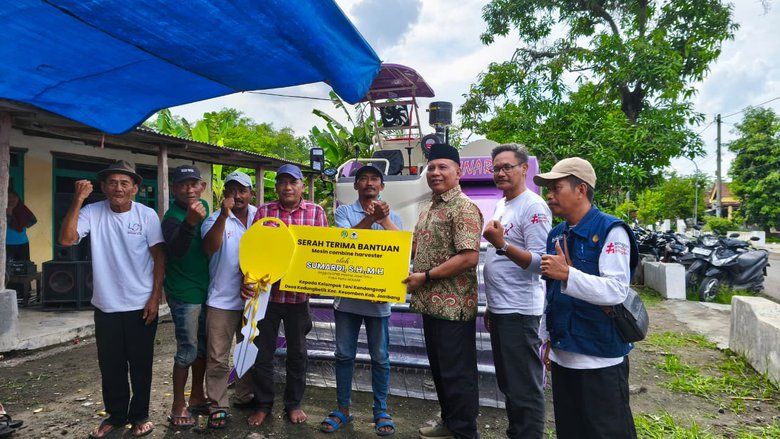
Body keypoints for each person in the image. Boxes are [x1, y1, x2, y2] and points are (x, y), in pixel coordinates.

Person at [58, 160, 164, 438]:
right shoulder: (92, 212)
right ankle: (116, 417)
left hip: (141, 304)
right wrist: (78, 200)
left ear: (135, 188)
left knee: (141, 364)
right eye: (113, 182)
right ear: (103, 187)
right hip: (106, 305)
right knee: (111, 365)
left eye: (124, 183)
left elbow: (159, 258)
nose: (118, 188)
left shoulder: (147, 215)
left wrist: (156, 298)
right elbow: (67, 240)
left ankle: (140, 415)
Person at [534, 157, 638, 439]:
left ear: (581, 189)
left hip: (599, 357)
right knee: (570, 429)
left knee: (606, 431)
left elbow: (617, 290)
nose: (550, 195)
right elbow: (551, 293)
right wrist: (546, 338)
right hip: (564, 353)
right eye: (549, 189)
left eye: (557, 188)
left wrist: (568, 274)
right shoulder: (556, 234)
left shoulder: (610, 230)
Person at [403, 144, 483, 439]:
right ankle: (449, 423)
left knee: (457, 375)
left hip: (453, 307)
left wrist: (425, 277)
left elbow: (468, 257)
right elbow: (413, 249)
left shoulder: (464, 208)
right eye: (431, 167)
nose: (435, 173)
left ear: (458, 172)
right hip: (430, 305)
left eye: (443, 167)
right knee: (440, 371)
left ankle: (464, 431)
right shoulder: (428, 209)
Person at [320, 163, 401, 436]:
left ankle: (381, 410)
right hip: (347, 299)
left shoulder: (395, 217)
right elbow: (346, 243)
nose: (369, 183)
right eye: (363, 179)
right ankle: (343, 408)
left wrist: (385, 219)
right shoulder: (343, 212)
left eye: (374, 179)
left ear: (382, 186)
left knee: (380, 357)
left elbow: (401, 252)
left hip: (379, 301)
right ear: (355, 186)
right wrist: (371, 219)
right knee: (344, 355)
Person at [246, 164, 328, 427]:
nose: (287, 187)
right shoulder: (264, 211)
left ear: (302, 186)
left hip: (298, 298)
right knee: (262, 353)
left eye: (293, 182)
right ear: (276, 186)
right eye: (282, 182)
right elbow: (252, 248)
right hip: (267, 297)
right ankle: (263, 404)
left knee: (297, 354)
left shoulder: (316, 212)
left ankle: (293, 404)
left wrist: (319, 280)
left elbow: (322, 251)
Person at [481, 144, 550, 439]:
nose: (501, 172)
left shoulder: (533, 207)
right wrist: (491, 305)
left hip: (521, 312)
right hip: (502, 309)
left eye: (507, 166)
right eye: (496, 168)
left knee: (524, 387)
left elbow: (541, 263)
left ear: (524, 169)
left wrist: (502, 244)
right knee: (510, 383)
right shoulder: (503, 204)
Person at [201, 171, 258, 427]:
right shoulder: (214, 219)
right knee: (218, 356)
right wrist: (224, 216)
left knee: (249, 351)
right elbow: (209, 248)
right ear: (224, 194)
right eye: (232, 190)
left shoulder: (262, 216)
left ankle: (245, 395)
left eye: (242, 190)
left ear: (251, 193)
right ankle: (217, 404)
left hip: (254, 300)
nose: (237, 196)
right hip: (222, 300)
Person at [161, 165, 210, 428]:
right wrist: (189, 223)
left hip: (206, 289)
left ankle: (198, 395)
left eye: (193, 184)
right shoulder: (172, 217)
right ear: (175, 189)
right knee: (187, 349)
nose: (189, 189)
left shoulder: (206, 210)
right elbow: (177, 250)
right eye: (183, 184)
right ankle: (178, 403)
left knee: (202, 346)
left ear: (202, 187)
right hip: (184, 292)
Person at [5, 188, 36, 262]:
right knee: (7, 269)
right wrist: (9, 211)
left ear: (18, 198)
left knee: (23, 268)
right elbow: (7, 223)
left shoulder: (22, 208)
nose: (12, 199)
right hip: (6, 244)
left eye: (14, 197)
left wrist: (21, 223)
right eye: (9, 197)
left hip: (22, 243)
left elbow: (33, 221)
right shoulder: (2, 209)